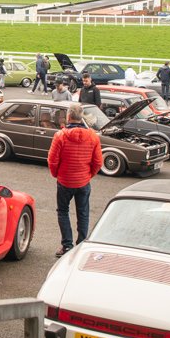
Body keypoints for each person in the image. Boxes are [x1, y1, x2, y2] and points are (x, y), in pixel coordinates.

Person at [48, 103, 102, 257]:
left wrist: (56, 174)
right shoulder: (92, 136)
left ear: (68, 116)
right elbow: (98, 162)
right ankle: (81, 244)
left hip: (65, 181)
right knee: (83, 213)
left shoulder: (60, 136)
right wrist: (88, 175)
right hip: (83, 182)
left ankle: (67, 245)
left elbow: (52, 160)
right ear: (81, 117)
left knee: (63, 212)